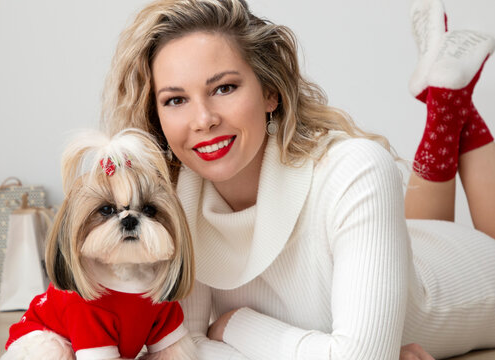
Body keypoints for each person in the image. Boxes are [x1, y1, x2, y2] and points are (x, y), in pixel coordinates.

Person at [101, 0, 495, 359]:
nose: (203, 119)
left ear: (270, 91)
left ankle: (446, 102)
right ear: (157, 116)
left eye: (224, 88)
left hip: (470, 275)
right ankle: (448, 96)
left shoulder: (355, 167)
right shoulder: (175, 200)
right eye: (175, 100)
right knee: (414, 228)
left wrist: (235, 325)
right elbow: (183, 350)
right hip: (412, 243)